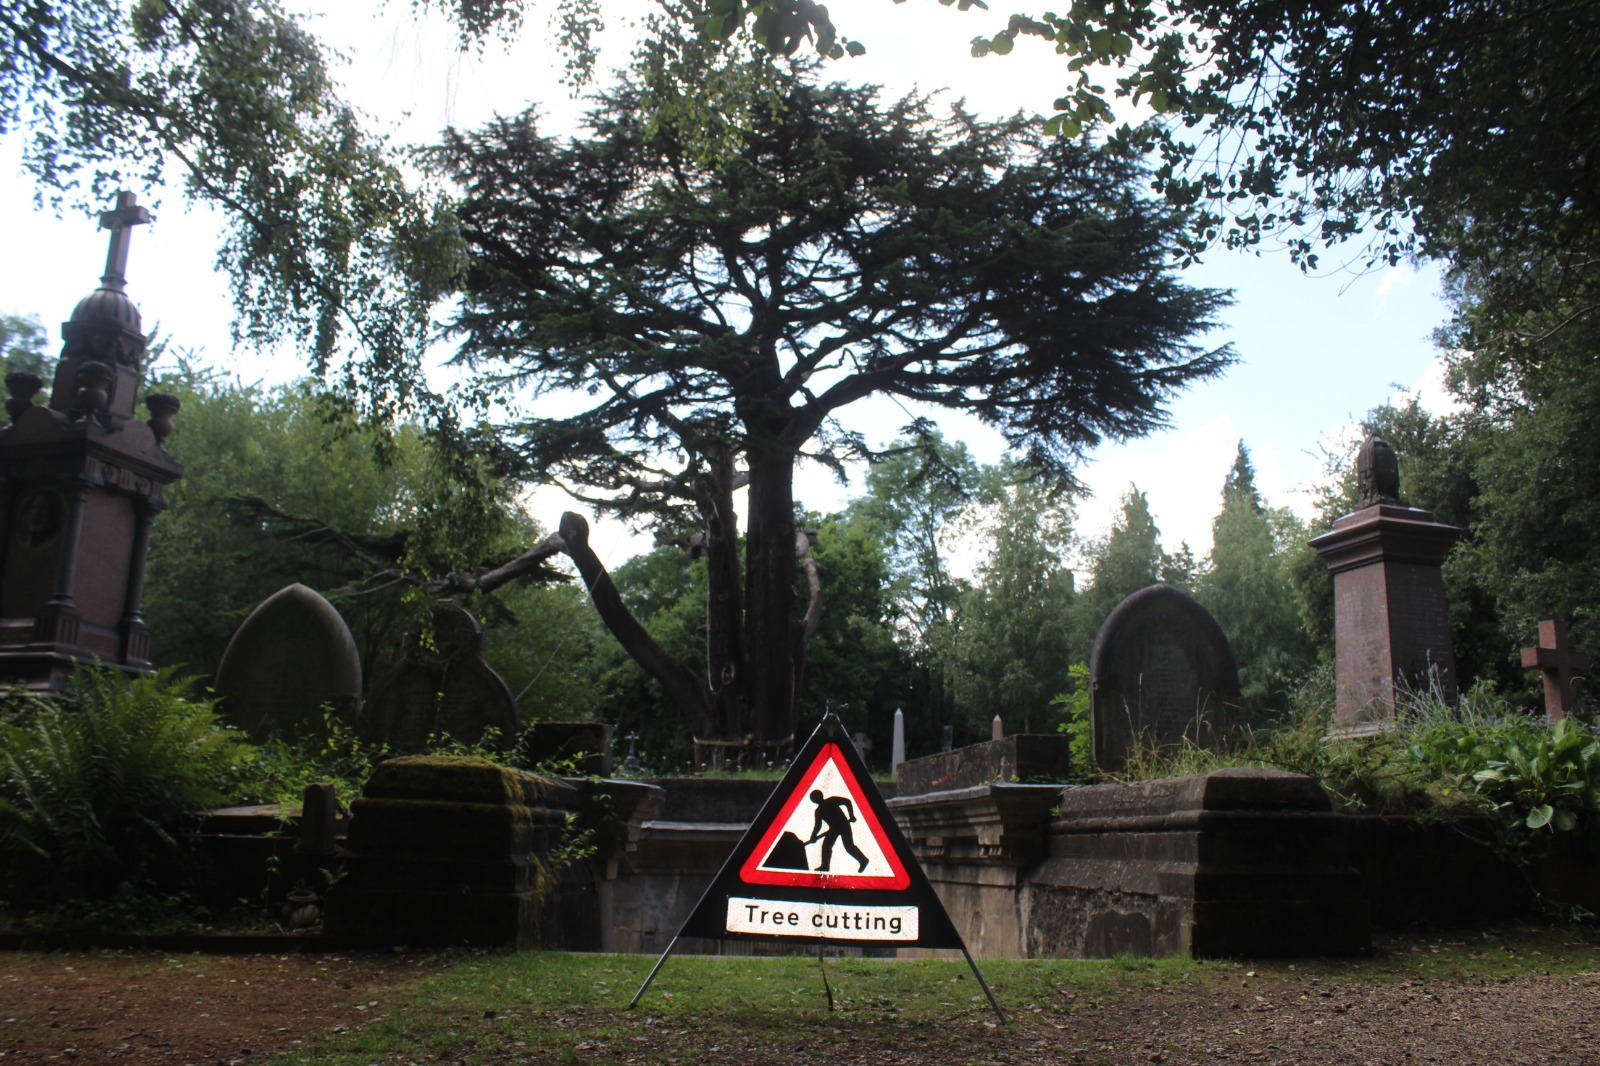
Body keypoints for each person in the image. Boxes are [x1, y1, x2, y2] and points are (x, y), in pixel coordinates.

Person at [805, 789, 869, 872]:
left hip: (843, 825)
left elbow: (847, 801)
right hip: (833, 829)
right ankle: (825, 866)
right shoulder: (819, 811)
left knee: (849, 847)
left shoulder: (831, 801)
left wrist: (851, 815)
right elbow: (818, 825)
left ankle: (863, 860)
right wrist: (813, 835)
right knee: (826, 846)